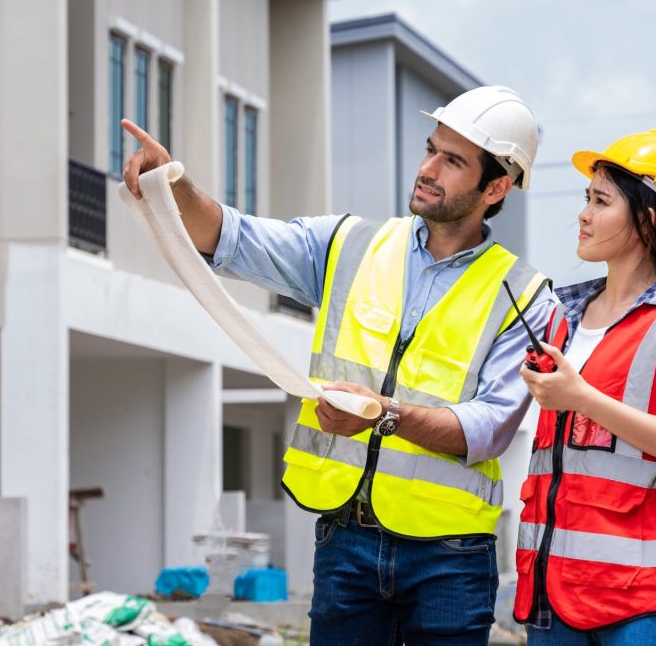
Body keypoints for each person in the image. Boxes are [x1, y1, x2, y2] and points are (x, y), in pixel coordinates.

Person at [122, 85, 555, 646]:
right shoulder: (350, 244)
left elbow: (489, 428)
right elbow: (230, 236)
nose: (427, 168)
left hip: (450, 555)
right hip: (344, 539)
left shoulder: (524, 296)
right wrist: (173, 183)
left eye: (452, 161)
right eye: (430, 149)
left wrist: (383, 415)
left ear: (497, 186)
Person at [513, 130, 656, 645]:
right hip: (554, 591)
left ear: (647, 217)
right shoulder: (561, 318)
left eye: (600, 200)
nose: (584, 215)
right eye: (585, 199)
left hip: (645, 606)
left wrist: (582, 398)